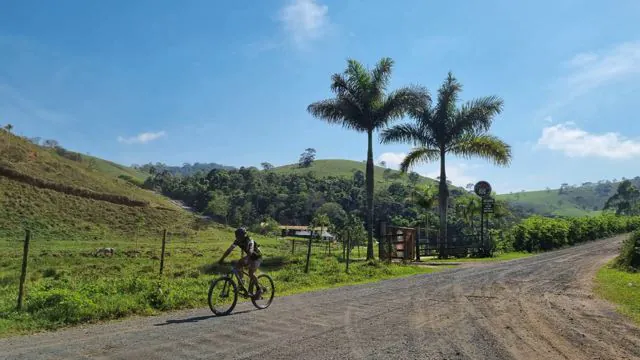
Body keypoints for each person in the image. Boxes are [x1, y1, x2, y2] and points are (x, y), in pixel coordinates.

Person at [218, 227, 263, 297]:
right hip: (250, 256)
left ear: (244, 235)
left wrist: (246, 259)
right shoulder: (237, 241)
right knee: (238, 265)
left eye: (239, 236)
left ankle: (259, 289)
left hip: (257, 257)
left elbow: (250, 251)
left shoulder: (249, 240)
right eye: (237, 236)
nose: (238, 238)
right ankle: (241, 283)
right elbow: (229, 250)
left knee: (250, 273)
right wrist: (222, 259)